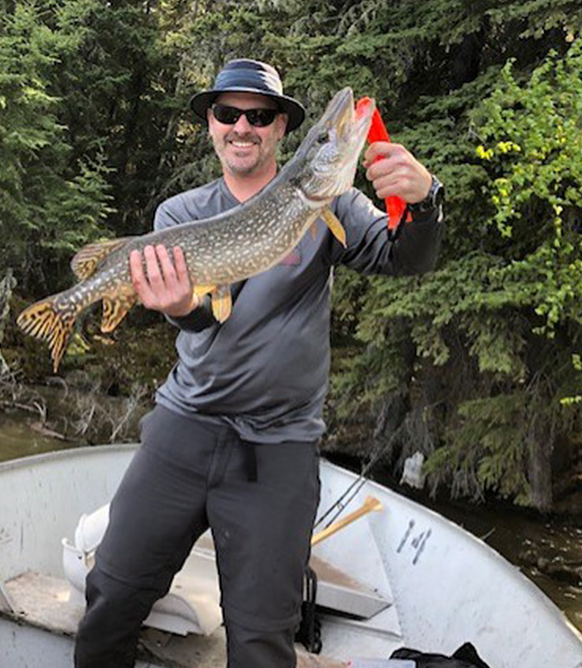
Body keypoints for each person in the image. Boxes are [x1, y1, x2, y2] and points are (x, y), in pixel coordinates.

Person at [74, 58, 445, 667]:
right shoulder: (182, 214)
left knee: (262, 642)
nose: (242, 126)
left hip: (278, 448)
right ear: (212, 126)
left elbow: (407, 258)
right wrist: (177, 308)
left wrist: (425, 202)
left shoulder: (333, 207)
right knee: (111, 598)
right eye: (229, 114)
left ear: (279, 131)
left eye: (260, 115)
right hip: (185, 428)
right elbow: (199, 319)